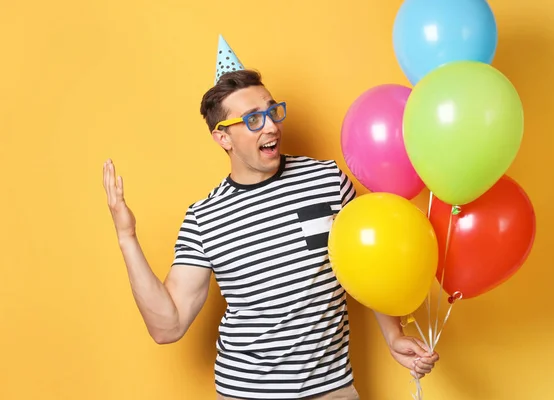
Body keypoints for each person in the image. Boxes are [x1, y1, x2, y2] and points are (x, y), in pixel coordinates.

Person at [102, 36, 438, 400]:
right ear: (223, 137)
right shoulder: (204, 218)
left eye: (272, 111)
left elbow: (367, 263)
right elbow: (167, 326)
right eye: (252, 119)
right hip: (245, 393)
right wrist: (127, 237)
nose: (271, 127)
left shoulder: (327, 181)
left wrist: (394, 335)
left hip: (331, 390)